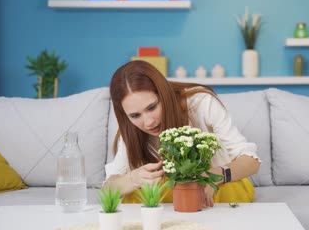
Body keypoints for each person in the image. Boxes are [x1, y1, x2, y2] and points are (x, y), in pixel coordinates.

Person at [104, 60, 261, 207]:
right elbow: (108, 188)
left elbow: (252, 162)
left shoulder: (201, 103)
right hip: (168, 194)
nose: (148, 122)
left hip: (218, 187)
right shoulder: (131, 130)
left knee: (231, 190)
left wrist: (214, 176)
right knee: (132, 194)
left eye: (152, 107)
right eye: (135, 115)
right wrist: (134, 178)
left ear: (163, 94)